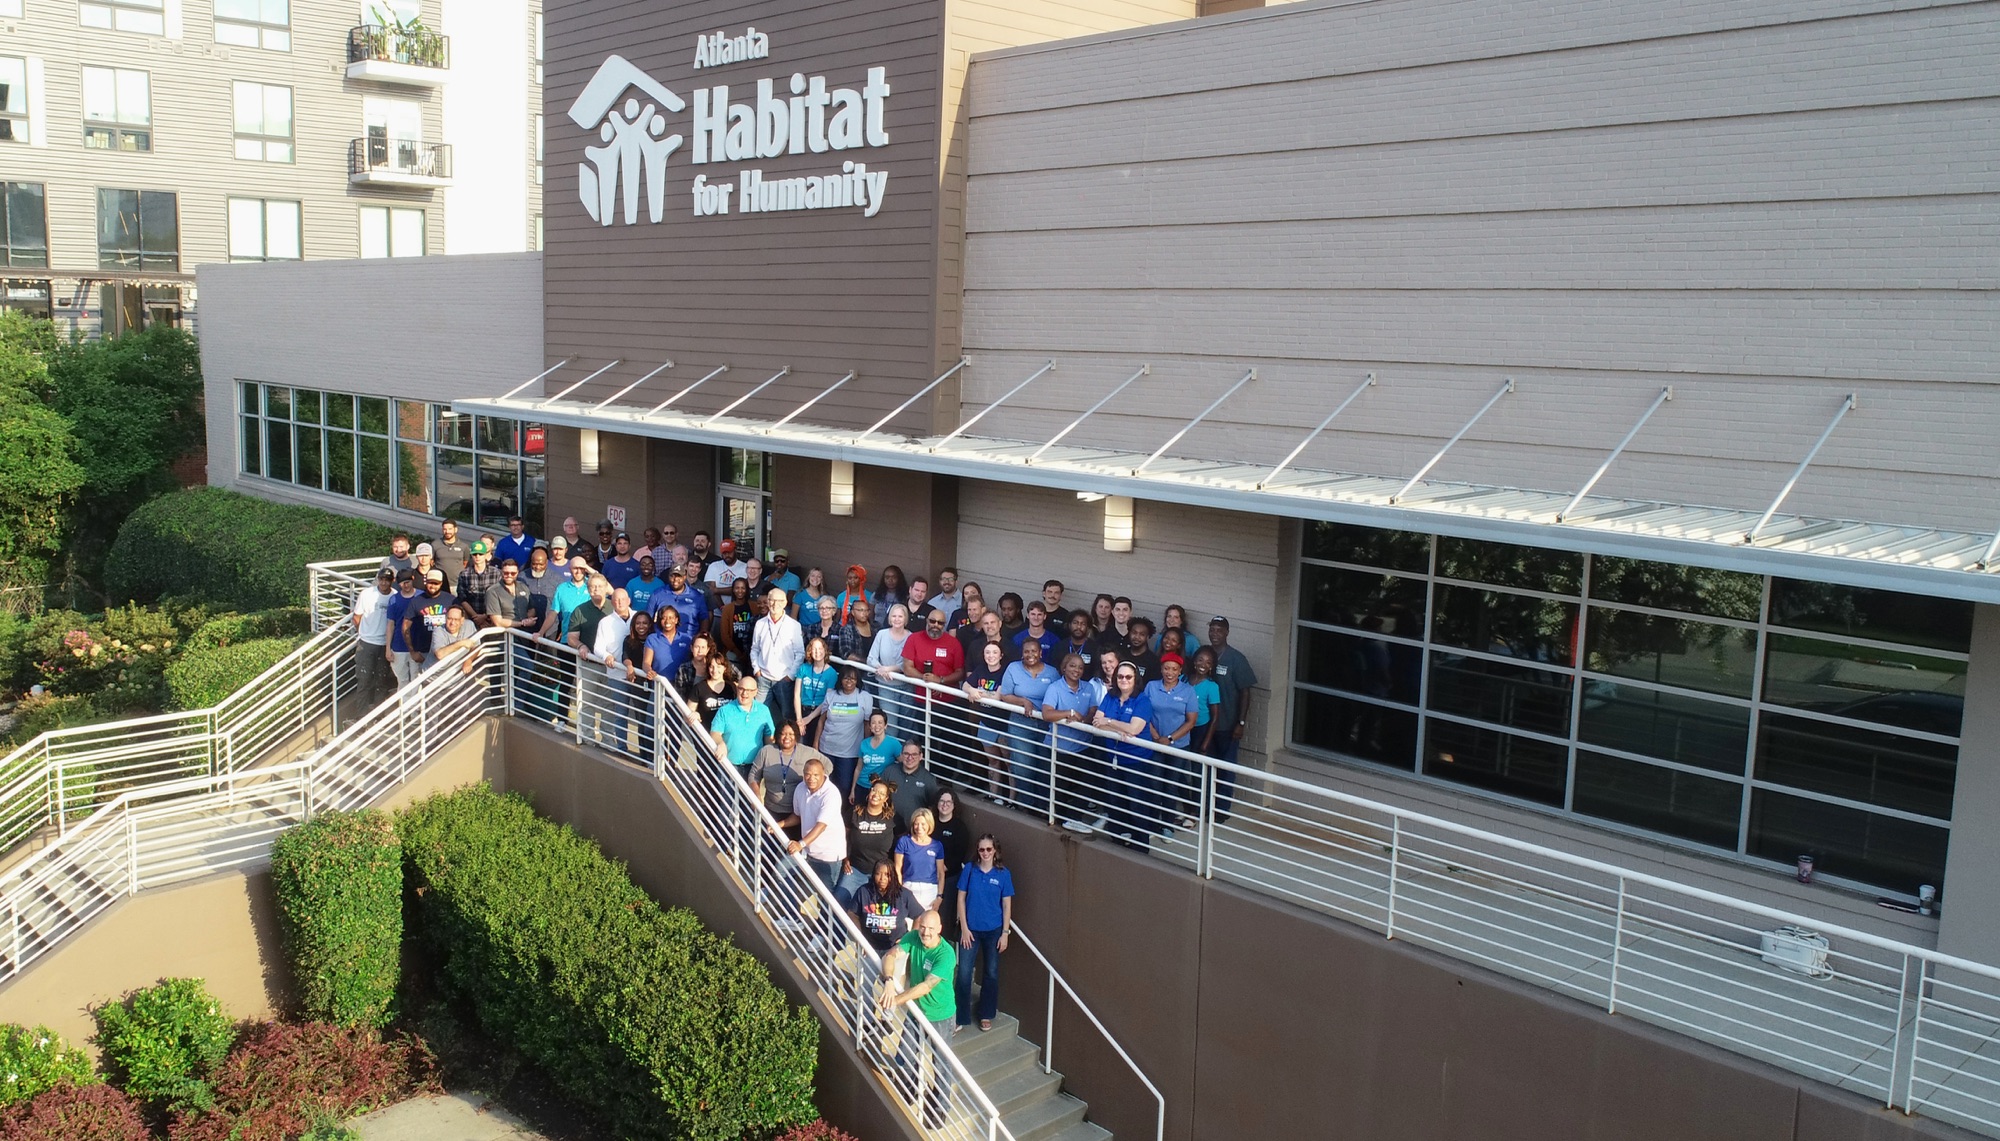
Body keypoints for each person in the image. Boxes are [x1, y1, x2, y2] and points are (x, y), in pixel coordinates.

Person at [954, 836, 1014, 1033]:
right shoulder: (969, 870)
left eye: (989, 849)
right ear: (977, 851)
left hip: (994, 930)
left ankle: (986, 1014)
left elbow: (1006, 905)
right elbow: (961, 899)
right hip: (970, 930)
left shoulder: (1003, 874)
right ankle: (961, 1016)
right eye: (982, 850)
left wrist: (1005, 933)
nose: (986, 853)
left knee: (991, 973)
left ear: (995, 850)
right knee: (964, 974)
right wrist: (964, 928)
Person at [1093, 663, 1156, 846]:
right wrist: (1119, 728)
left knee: (1136, 803)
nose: (1124, 680)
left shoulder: (1142, 701)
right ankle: (1118, 839)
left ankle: (1140, 844)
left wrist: (1109, 722)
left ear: (1135, 679)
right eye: (1120, 676)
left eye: (1128, 677)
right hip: (1113, 757)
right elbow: (1096, 721)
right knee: (1115, 800)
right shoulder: (1110, 696)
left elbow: (1134, 729)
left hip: (1136, 760)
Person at [1206, 616, 1258, 823]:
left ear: (1227, 632)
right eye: (1212, 629)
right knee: (1206, 768)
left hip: (1227, 726)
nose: (1215, 633)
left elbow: (1245, 691)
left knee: (1226, 768)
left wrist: (1241, 722)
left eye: (1219, 630)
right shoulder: (1204, 655)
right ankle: (1206, 807)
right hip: (1205, 726)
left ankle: (1221, 809)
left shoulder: (1236, 659)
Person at [1143, 653, 1201, 833]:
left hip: (1178, 746)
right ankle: (1153, 824)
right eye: (1166, 668)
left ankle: (1167, 825)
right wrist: (1154, 735)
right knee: (1154, 783)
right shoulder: (1151, 687)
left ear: (1180, 671)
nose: (1170, 672)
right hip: (1154, 744)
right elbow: (1143, 712)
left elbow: (1191, 721)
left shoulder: (1188, 691)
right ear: (1161, 669)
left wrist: (1169, 739)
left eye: (1174, 669)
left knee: (1170, 786)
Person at [999, 640, 1058, 814]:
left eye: (1034, 651)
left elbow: (1058, 695)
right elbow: (1005, 695)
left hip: (1046, 725)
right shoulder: (1013, 668)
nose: (1030, 655)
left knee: (1044, 766)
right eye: (1026, 651)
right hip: (1020, 723)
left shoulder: (1052, 672)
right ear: (1022, 653)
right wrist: (1023, 701)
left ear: (1040, 653)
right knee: (1023, 765)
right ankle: (1028, 805)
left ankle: (1044, 806)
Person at [1043, 652, 1101, 831]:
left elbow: (1093, 709)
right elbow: (1047, 713)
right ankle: (1060, 823)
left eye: (1081, 667)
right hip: (1060, 747)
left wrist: (1084, 719)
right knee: (1060, 787)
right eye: (1073, 666)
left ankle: (1073, 817)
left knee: (1089, 782)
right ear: (1064, 668)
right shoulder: (1055, 688)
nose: (1077, 670)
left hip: (1083, 746)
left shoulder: (1088, 687)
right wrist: (1070, 712)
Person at [581, 585, 633, 748]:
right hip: (616, 675)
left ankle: (646, 754)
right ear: (613, 602)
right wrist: (606, 656)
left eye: (623, 599)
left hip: (637, 676)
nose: (619, 602)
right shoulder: (605, 622)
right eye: (616, 600)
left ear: (629, 600)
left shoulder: (639, 618)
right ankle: (621, 748)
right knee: (619, 713)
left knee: (642, 716)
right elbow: (598, 647)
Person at [752, 721, 824, 839]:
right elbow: (754, 775)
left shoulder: (808, 752)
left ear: (797, 735)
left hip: (798, 815)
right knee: (768, 847)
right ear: (777, 735)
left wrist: (814, 791)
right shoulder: (766, 751)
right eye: (783, 734)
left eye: (791, 734)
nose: (787, 737)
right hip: (771, 811)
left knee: (793, 848)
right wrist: (756, 795)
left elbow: (827, 768)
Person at [785, 757, 846, 892]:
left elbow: (821, 826)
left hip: (828, 856)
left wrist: (800, 844)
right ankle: (789, 906)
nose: (811, 778)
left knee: (825, 896)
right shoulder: (800, 788)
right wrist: (779, 825)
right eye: (807, 774)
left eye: (816, 775)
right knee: (781, 873)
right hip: (806, 852)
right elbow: (797, 816)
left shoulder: (831, 794)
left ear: (823, 774)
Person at [816, 666, 872, 803]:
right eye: (846, 678)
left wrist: (866, 748)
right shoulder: (831, 695)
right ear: (840, 679)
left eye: (853, 678)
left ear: (857, 680)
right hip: (826, 748)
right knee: (823, 785)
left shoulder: (865, 697)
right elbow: (821, 721)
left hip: (849, 753)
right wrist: (815, 744)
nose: (849, 681)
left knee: (844, 787)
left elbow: (867, 725)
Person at [752, 587, 805, 727]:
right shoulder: (760, 624)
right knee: (756, 715)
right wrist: (756, 670)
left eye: (779, 601)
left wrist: (790, 676)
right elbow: (754, 649)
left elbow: (800, 653)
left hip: (784, 679)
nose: (775, 604)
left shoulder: (794, 625)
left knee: (787, 717)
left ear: (785, 602)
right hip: (763, 678)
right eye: (771, 600)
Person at [963, 641, 1009, 801]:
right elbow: (965, 686)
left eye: (995, 652)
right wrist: (972, 690)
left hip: (1003, 725)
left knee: (1009, 763)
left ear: (1001, 655)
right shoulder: (981, 669)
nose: (991, 656)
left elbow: (997, 697)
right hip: (986, 722)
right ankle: (993, 795)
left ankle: (1011, 799)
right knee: (993, 760)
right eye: (987, 652)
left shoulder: (1005, 672)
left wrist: (979, 693)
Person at [842, 780, 900, 905]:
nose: (876, 795)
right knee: (839, 899)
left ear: (886, 798)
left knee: (879, 908)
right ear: (869, 792)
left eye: (881, 793)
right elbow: (842, 837)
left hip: (882, 875)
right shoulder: (854, 813)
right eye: (874, 790)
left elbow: (902, 843)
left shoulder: (893, 818)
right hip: (855, 870)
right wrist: (845, 858)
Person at [850, 859, 922, 953]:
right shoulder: (863, 891)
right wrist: (859, 937)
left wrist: (909, 939)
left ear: (893, 876)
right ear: (873, 875)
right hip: (869, 948)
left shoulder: (904, 894)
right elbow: (852, 914)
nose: (882, 878)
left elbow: (919, 916)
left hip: (896, 948)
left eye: (887, 875)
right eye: (878, 874)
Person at [711, 675, 775, 779]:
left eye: (749, 690)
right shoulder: (725, 710)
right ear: (737, 689)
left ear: (755, 692)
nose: (745, 693)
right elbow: (715, 733)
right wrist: (720, 743)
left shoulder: (764, 710)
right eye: (741, 689)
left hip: (755, 767)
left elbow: (769, 735)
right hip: (729, 765)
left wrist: (770, 757)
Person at [351, 568, 397, 707]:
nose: (383, 583)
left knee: (382, 681)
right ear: (378, 579)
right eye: (381, 579)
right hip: (366, 643)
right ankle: (362, 714)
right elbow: (356, 617)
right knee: (364, 680)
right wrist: (363, 633)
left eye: (387, 580)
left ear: (392, 581)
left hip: (385, 644)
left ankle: (379, 714)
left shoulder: (395, 596)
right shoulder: (366, 594)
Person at [865, 603, 914, 735]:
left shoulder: (911, 637)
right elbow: (871, 658)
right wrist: (880, 668)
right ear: (889, 618)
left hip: (907, 687)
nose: (897, 619)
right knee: (890, 726)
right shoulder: (882, 634)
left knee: (907, 725)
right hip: (885, 686)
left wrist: (888, 669)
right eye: (894, 616)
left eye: (900, 616)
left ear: (905, 618)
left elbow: (908, 663)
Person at [932, 790, 971, 940]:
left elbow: (959, 855)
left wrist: (941, 870)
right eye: (942, 801)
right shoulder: (930, 823)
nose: (945, 805)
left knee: (944, 918)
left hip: (949, 879)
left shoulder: (959, 827)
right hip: (928, 878)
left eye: (949, 802)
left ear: (954, 805)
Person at [619, 609, 656, 759]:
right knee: (642, 720)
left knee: (654, 722)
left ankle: (656, 756)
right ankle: (644, 756)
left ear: (650, 625)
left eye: (645, 623)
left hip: (653, 684)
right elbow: (625, 656)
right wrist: (629, 666)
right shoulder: (629, 640)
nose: (641, 626)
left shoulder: (655, 639)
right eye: (638, 623)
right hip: (638, 684)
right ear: (634, 625)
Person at [895, 808, 946, 911]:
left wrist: (939, 896)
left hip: (930, 890)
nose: (919, 827)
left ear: (929, 825)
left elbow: (941, 873)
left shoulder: (937, 845)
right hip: (909, 887)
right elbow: (897, 868)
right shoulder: (904, 842)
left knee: (927, 920)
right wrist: (900, 891)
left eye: (923, 824)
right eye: (916, 824)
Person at [794, 635, 837, 745]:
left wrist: (809, 718)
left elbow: (827, 699)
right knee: (800, 744)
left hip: (819, 713)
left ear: (825, 650)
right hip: (803, 710)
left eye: (820, 648)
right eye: (814, 649)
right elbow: (797, 695)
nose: (817, 652)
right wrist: (799, 720)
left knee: (815, 745)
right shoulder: (804, 668)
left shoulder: (831, 673)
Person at [888, 742, 940, 829]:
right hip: (888, 828)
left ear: (921, 756)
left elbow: (933, 808)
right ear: (901, 755)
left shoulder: (928, 779)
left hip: (915, 829)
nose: (910, 757)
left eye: (914, 754)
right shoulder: (890, 771)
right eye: (906, 754)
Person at [654, 563, 711, 637]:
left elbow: (704, 618)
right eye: (672, 576)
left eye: (679, 576)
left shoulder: (697, 596)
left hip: (689, 639)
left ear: (684, 577)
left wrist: (701, 637)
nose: (675, 579)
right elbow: (649, 617)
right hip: (662, 639)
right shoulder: (657, 594)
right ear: (668, 576)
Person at [384, 570, 420, 688]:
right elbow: (390, 624)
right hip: (399, 645)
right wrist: (388, 648)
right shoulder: (394, 599)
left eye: (408, 581)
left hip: (418, 645)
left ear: (413, 579)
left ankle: (417, 700)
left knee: (417, 679)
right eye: (402, 583)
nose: (406, 585)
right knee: (402, 680)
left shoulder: (421, 596)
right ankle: (404, 701)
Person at [855, 710, 900, 799]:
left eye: (880, 722)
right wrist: (853, 790)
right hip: (862, 785)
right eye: (873, 723)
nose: (877, 726)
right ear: (870, 726)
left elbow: (903, 764)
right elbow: (858, 768)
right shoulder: (864, 743)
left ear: (885, 725)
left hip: (880, 788)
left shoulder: (894, 744)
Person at [686, 651, 736, 732]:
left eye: (718, 667)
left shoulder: (732, 687)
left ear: (725, 668)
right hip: (705, 734)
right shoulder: (699, 688)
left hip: (728, 733)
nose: (715, 670)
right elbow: (688, 712)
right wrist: (694, 714)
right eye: (711, 667)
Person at [717, 578, 757, 676]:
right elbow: (724, 635)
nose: (740, 591)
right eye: (737, 588)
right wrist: (738, 652)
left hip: (753, 652)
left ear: (747, 590)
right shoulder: (727, 609)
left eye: (743, 588)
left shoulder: (755, 606)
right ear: (733, 590)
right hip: (733, 653)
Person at [426, 604, 480, 672]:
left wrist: (469, 660)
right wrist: (461, 643)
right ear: (445, 618)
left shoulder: (469, 625)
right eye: (449, 619)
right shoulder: (438, 630)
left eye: (456, 619)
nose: (452, 623)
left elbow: (477, 646)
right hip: (434, 675)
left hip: (458, 672)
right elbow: (440, 655)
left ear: (462, 620)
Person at [830, 597, 876, 665]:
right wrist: (868, 662)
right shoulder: (847, 630)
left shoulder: (876, 627)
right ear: (853, 612)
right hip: (856, 668)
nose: (865, 613)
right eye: (860, 610)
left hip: (878, 668)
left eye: (867, 610)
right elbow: (846, 653)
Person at [433, 520, 469, 590]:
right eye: (445, 529)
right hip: (440, 584)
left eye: (450, 529)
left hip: (458, 584)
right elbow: (431, 562)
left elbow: (465, 563)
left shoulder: (464, 546)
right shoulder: (435, 545)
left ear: (455, 530)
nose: (447, 531)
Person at [1124, 618, 1163, 683]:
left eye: (1142, 634)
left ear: (1147, 637)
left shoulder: (1153, 661)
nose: (1137, 637)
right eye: (1134, 633)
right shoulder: (1121, 654)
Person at [795, 567, 829, 632]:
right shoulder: (800, 595)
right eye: (813, 576)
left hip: (820, 628)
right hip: (804, 628)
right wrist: (797, 631)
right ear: (808, 578)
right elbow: (793, 616)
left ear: (822, 579)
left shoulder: (824, 596)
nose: (815, 579)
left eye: (819, 577)